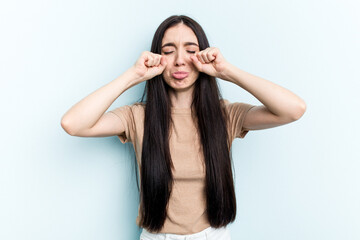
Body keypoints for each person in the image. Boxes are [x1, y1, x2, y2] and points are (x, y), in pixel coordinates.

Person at [61, 15, 306, 240]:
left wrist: (226, 71)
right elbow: (73, 124)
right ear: (157, 57)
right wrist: (133, 76)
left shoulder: (225, 115)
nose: (179, 61)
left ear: (203, 56)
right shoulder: (137, 116)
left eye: (191, 50)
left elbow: (293, 109)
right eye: (169, 51)